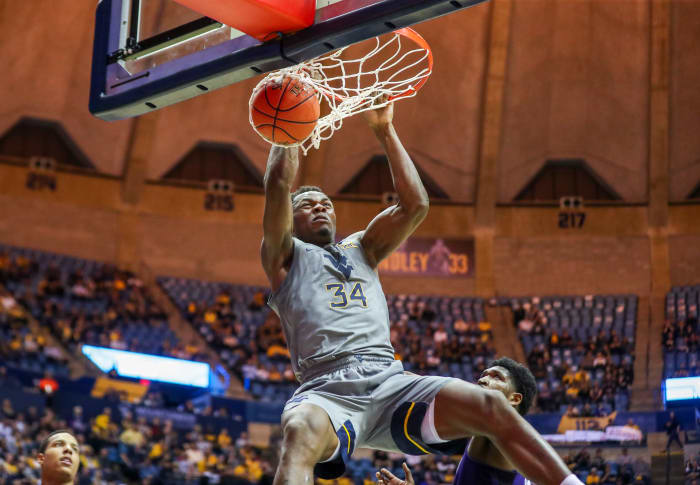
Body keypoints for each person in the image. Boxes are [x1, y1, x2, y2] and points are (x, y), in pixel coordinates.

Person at [261, 99, 582, 485]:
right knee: (299, 430)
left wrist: (385, 130)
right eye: (307, 205)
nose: (320, 208)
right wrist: (288, 126)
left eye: (326, 204)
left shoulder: (362, 247)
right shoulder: (284, 256)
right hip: (327, 387)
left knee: (491, 405)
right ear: (289, 220)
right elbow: (279, 182)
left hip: (388, 380)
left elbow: (415, 205)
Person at [375, 358, 538, 485]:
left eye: (497, 377)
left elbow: (430, 390)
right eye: (484, 375)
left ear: (514, 399)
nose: (482, 380)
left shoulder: (503, 439)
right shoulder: (483, 443)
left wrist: (388, 376)